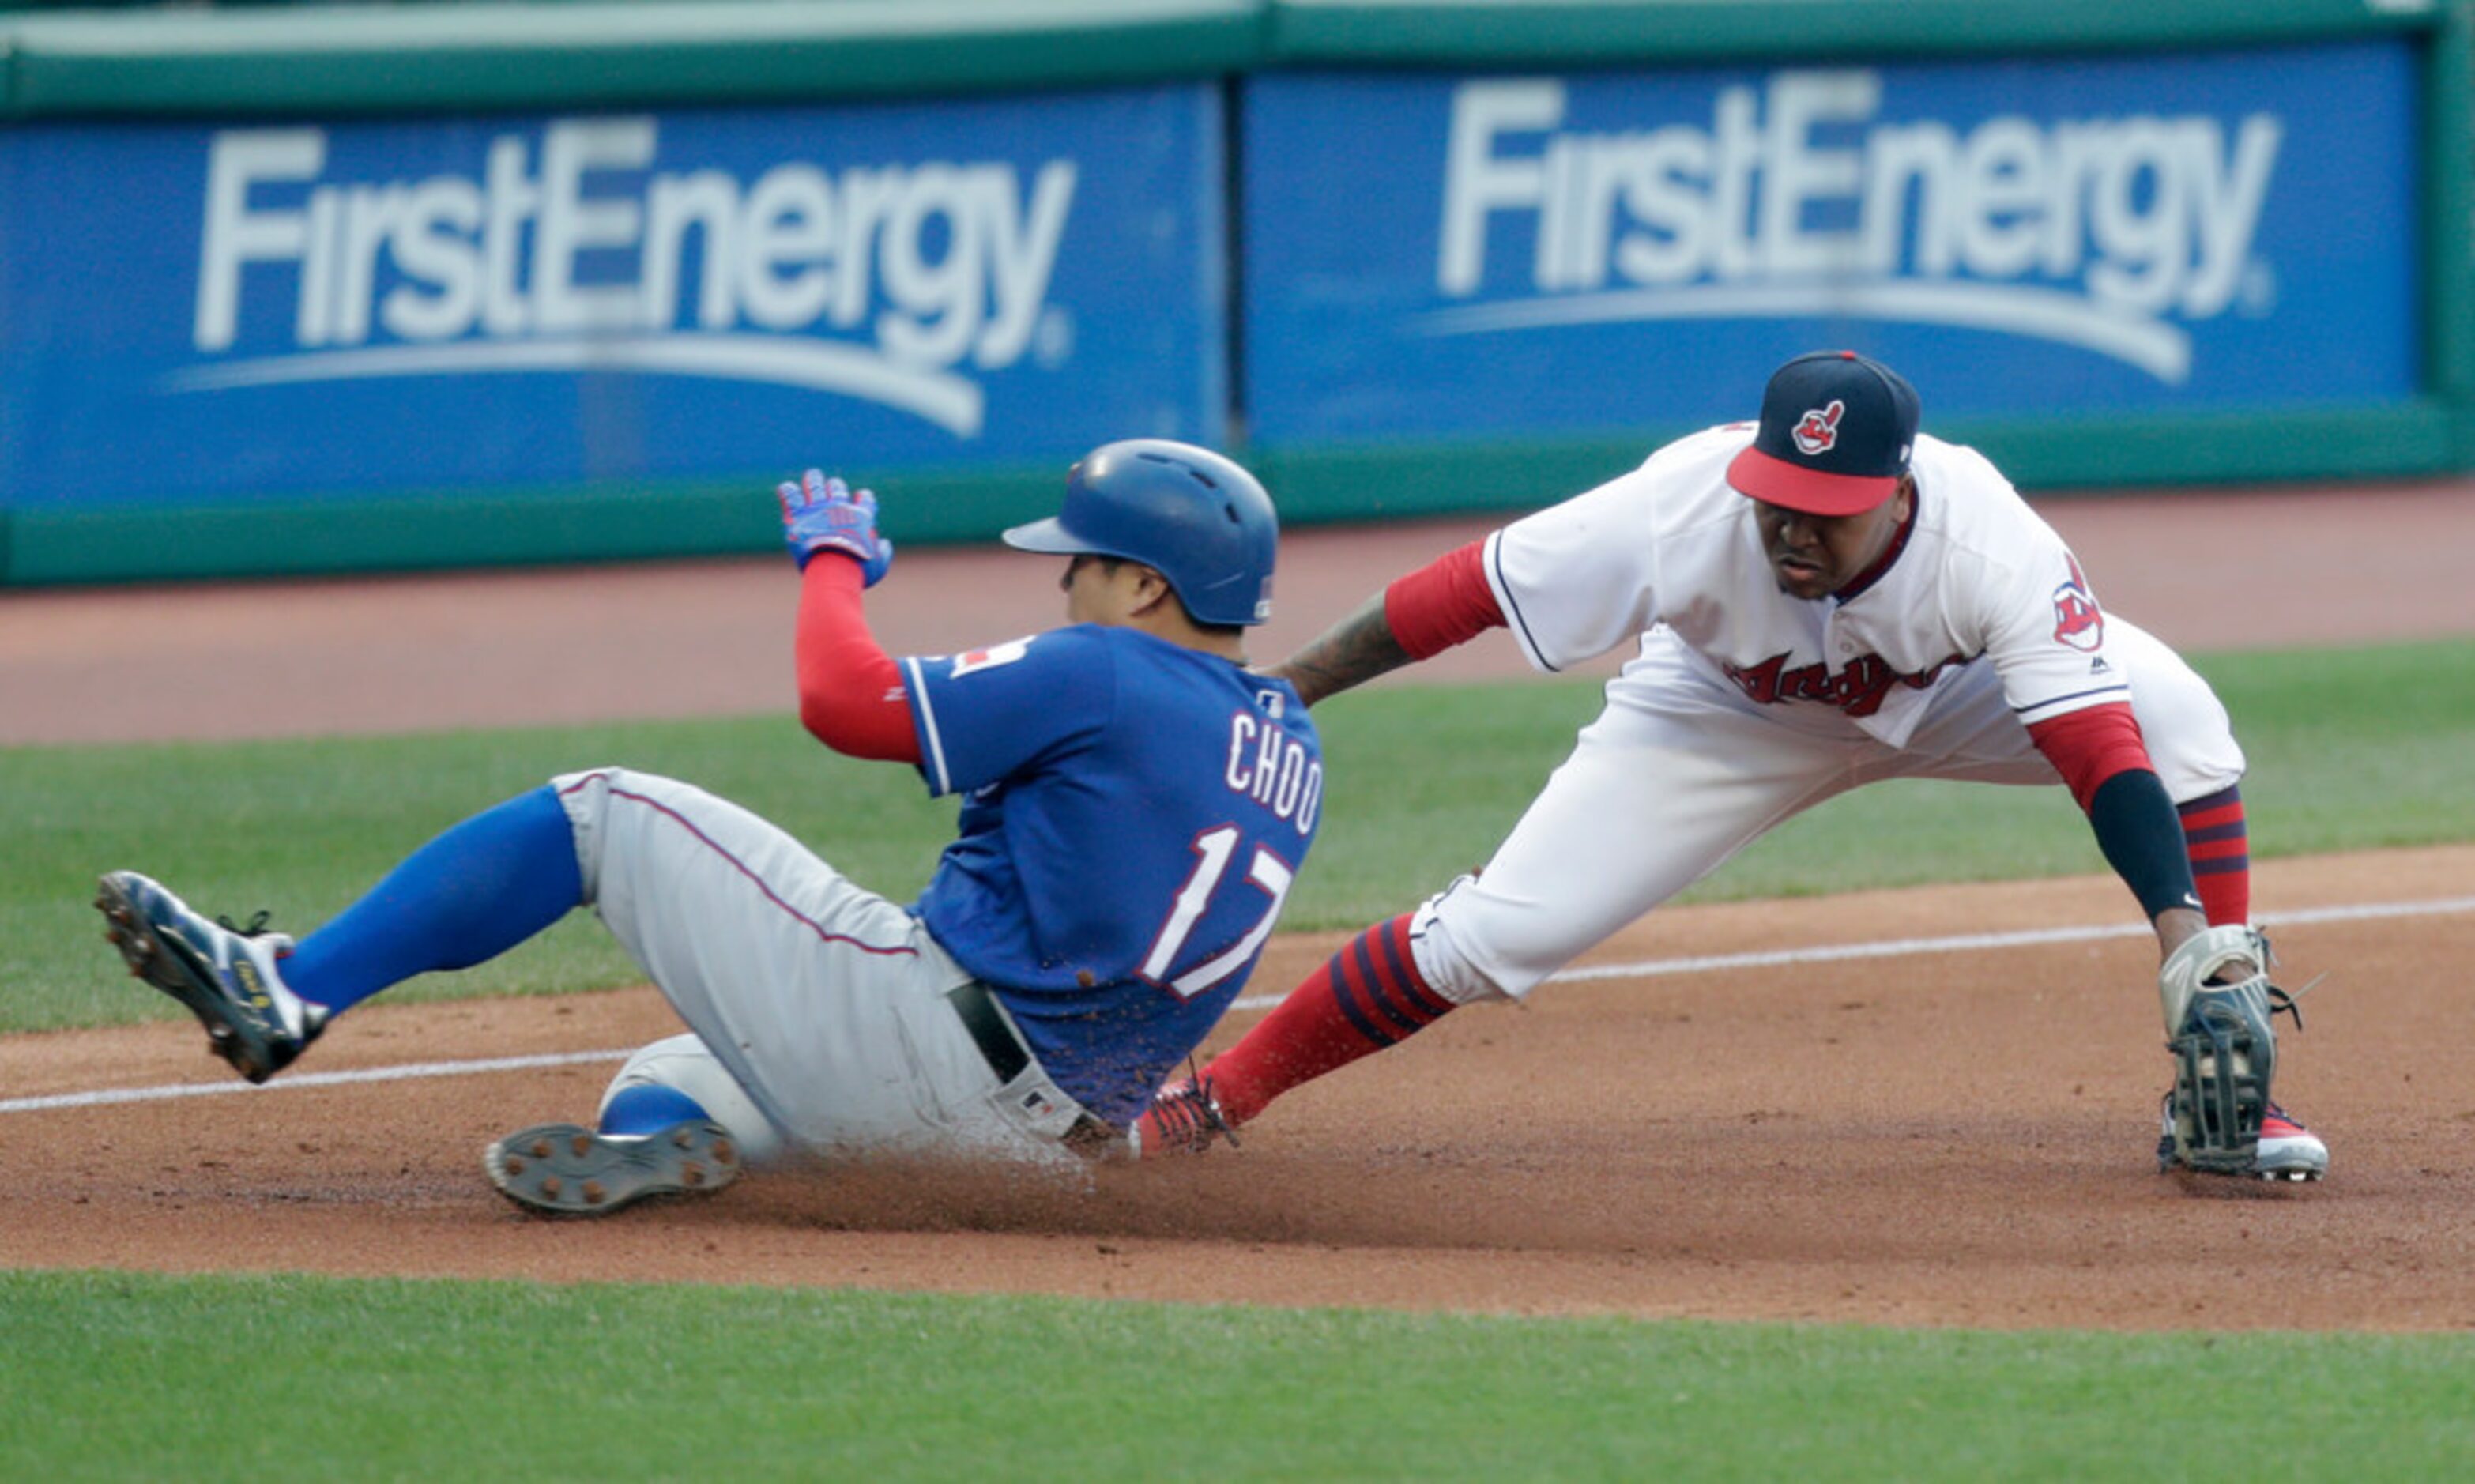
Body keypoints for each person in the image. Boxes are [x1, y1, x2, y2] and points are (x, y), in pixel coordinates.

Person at [1135, 350, 2325, 1183]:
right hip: (1721, 709)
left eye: (1829, 509)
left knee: (2175, 719)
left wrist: (2181, 934)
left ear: (1900, 488)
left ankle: (2220, 1098)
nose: (1794, 527)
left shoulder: (1990, 541)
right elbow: (1460, 594)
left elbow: (2095, 747)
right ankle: (1215, 1096)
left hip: (1952, 693)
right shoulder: (1679, 502)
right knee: (1490, 937)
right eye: (1778, 501)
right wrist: (1282, 692)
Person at [96, 439, 1323, 1215]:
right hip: (1038, 1157)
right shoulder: (1294, 751)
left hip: (919, 1044)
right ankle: (670, 1148)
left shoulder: (1105, 669)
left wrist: (834, 566)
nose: (1064, 580)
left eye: (1086, 562)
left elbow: (845, 701)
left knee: (605, 812)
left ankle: (287, 985)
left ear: (1149, 585)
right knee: (671, 1072)